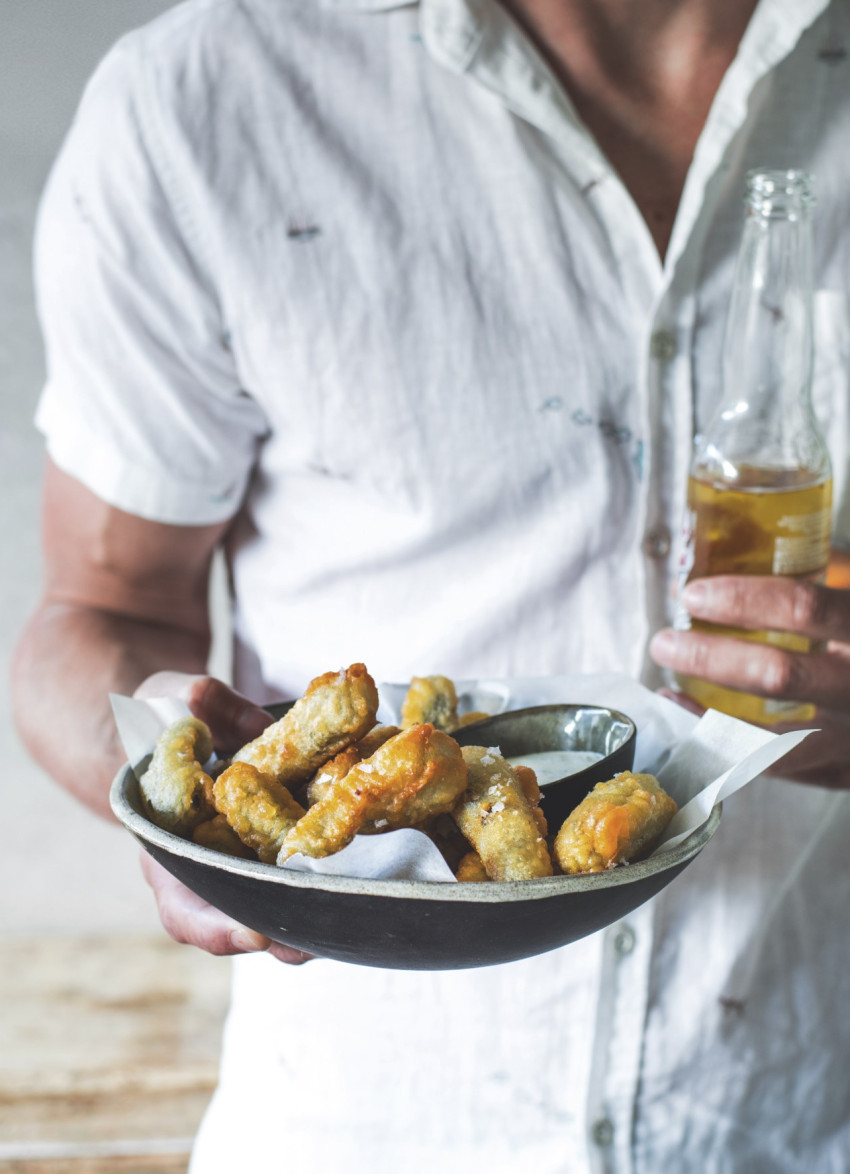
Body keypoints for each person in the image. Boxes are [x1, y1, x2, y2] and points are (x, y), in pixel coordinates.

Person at [12, 0, 850, 1168]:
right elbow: (91, 612)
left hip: (799, 1111)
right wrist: (171, 798)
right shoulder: (204, 92)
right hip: (361, 1119)